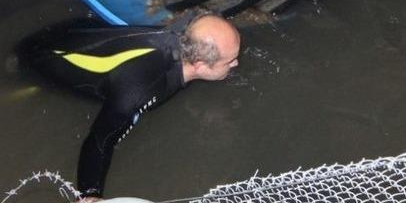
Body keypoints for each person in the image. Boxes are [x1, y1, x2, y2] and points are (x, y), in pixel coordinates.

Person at [18, 12, 241, 202]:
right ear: (199, 65)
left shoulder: (184, 30)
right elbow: (99, 141)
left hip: (82, 33)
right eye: (229, 61)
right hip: (45, 58)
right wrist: (91, 193)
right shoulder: (140, 91)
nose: (236, 64)